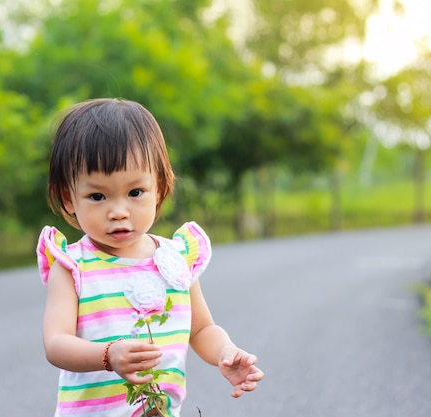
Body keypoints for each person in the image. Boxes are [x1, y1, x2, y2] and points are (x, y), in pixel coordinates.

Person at [36, 98, 263, 417]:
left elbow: (200, 330)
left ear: (159, 187)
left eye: (135, 193)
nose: (118, 211)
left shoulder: (176, 258)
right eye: (97, 196)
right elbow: (56, 343)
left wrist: (226, 351)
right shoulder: (73, 265)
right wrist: (108, 355)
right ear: (68, 198)